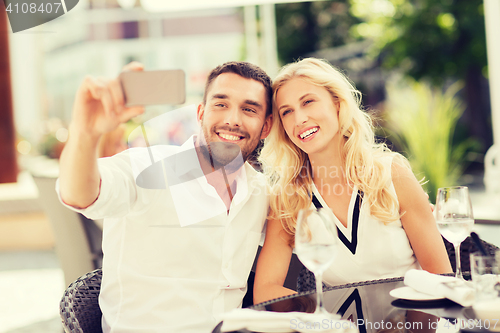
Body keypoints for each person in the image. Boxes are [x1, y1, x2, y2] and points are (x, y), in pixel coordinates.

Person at [57, 61, 273, 332]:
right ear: (201, 113)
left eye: (249, 109)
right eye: (220, 104)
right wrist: (85, 133)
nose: (233, 119)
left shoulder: (261, 192)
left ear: (266, 127)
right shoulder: (147, 167)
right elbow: (80, 194)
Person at [253, 58, 452, 304]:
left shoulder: (392, 174)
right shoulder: (289, 198)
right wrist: (323, 316)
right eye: (287, 111)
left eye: (308, 102)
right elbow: (265, 289)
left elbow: (441, 277)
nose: (299, 119)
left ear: (337, 104)